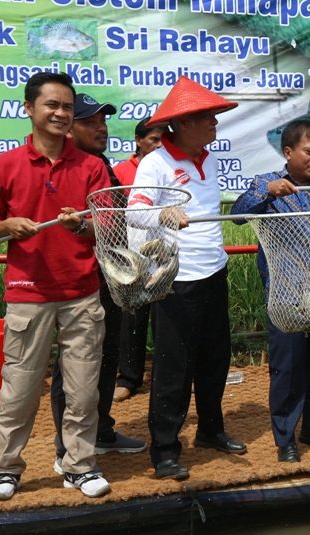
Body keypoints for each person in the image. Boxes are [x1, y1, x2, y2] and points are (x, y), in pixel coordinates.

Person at [0, 72, 111, 500]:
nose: (60, 113)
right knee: (18, 388)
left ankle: (79, 465)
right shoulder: (4, 165)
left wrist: (81, 226)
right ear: (29, 109)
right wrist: (6, 226)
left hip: (81, 293)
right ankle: (8, 468)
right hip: (27, 293)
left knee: (83, 388)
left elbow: (105, 225)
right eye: (51, 105)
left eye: (67, 107)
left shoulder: (91, 166)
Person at [135, 77, 246, 481]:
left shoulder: (209, 157)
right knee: (173, 367)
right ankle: (165, 448)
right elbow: (135, 210)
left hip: (214, 269)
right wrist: (161, 214)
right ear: (180, 124)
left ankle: (211, 429)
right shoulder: (156, 162)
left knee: (215, 359)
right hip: (176, 278)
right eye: (207, 118)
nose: (215, 124)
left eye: (215, 117)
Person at [231, 119, 310, 463]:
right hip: (285, 295)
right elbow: (238, 215)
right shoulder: (267, 184)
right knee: (287, 368)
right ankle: (286, 438)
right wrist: (267, 193)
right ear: (288, 152)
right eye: (309, 152)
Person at [47, 93, 146, 466]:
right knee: (73, 364)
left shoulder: (102, 165)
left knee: (106, 358)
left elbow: (115, 224)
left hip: (110, 278)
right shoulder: (66, 169)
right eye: (90, 121)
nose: (101, 127)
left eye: (103, 120)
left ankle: (101, 431)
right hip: (78, 280)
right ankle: (65, 446)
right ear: (68, 129)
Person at [112, 120, 164, 403]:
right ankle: (128, 378)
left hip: (164, 256)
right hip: (130, 253)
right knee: (131, 316)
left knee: (165, 318)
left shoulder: (168, 169)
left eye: (162, 141)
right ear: (138, 140)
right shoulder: (120, 172)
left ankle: (167, 374)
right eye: (154, 139)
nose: (158, 145)